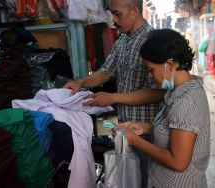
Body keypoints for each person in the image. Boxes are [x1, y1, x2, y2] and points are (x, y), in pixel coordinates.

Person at [64, 0, 165, 186]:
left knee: (147, 179)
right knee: (130, 180)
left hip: (147, 133)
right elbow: (105, 72)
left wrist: (112, 98)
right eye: (112, 14)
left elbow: (158, 93)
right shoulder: (122, 41)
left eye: (118, 14)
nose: (114, 19)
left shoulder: (153, 42)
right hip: (126, 131)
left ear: (134, 11)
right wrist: (80, 83)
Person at [117, 29, 210, 188]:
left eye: (151, 70)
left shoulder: (185, 101)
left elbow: (179, 162)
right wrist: (146, 128)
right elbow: (176, 131)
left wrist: (135, 140)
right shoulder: (182, 90)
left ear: (169, 64)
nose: (150, 76)